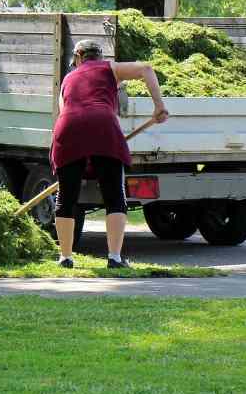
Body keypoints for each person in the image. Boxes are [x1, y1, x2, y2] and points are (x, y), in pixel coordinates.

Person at [51, 39, 169, 269]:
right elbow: (146, 69)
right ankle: (114, 258)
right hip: (103, 125)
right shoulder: (110, 68)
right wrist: (158, 105)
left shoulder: (67, 79)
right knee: (114, 195)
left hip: (68, 127)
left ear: (77, 58)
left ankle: (65, 257)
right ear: (100, 56)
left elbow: (63, 111)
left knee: (66, 196)